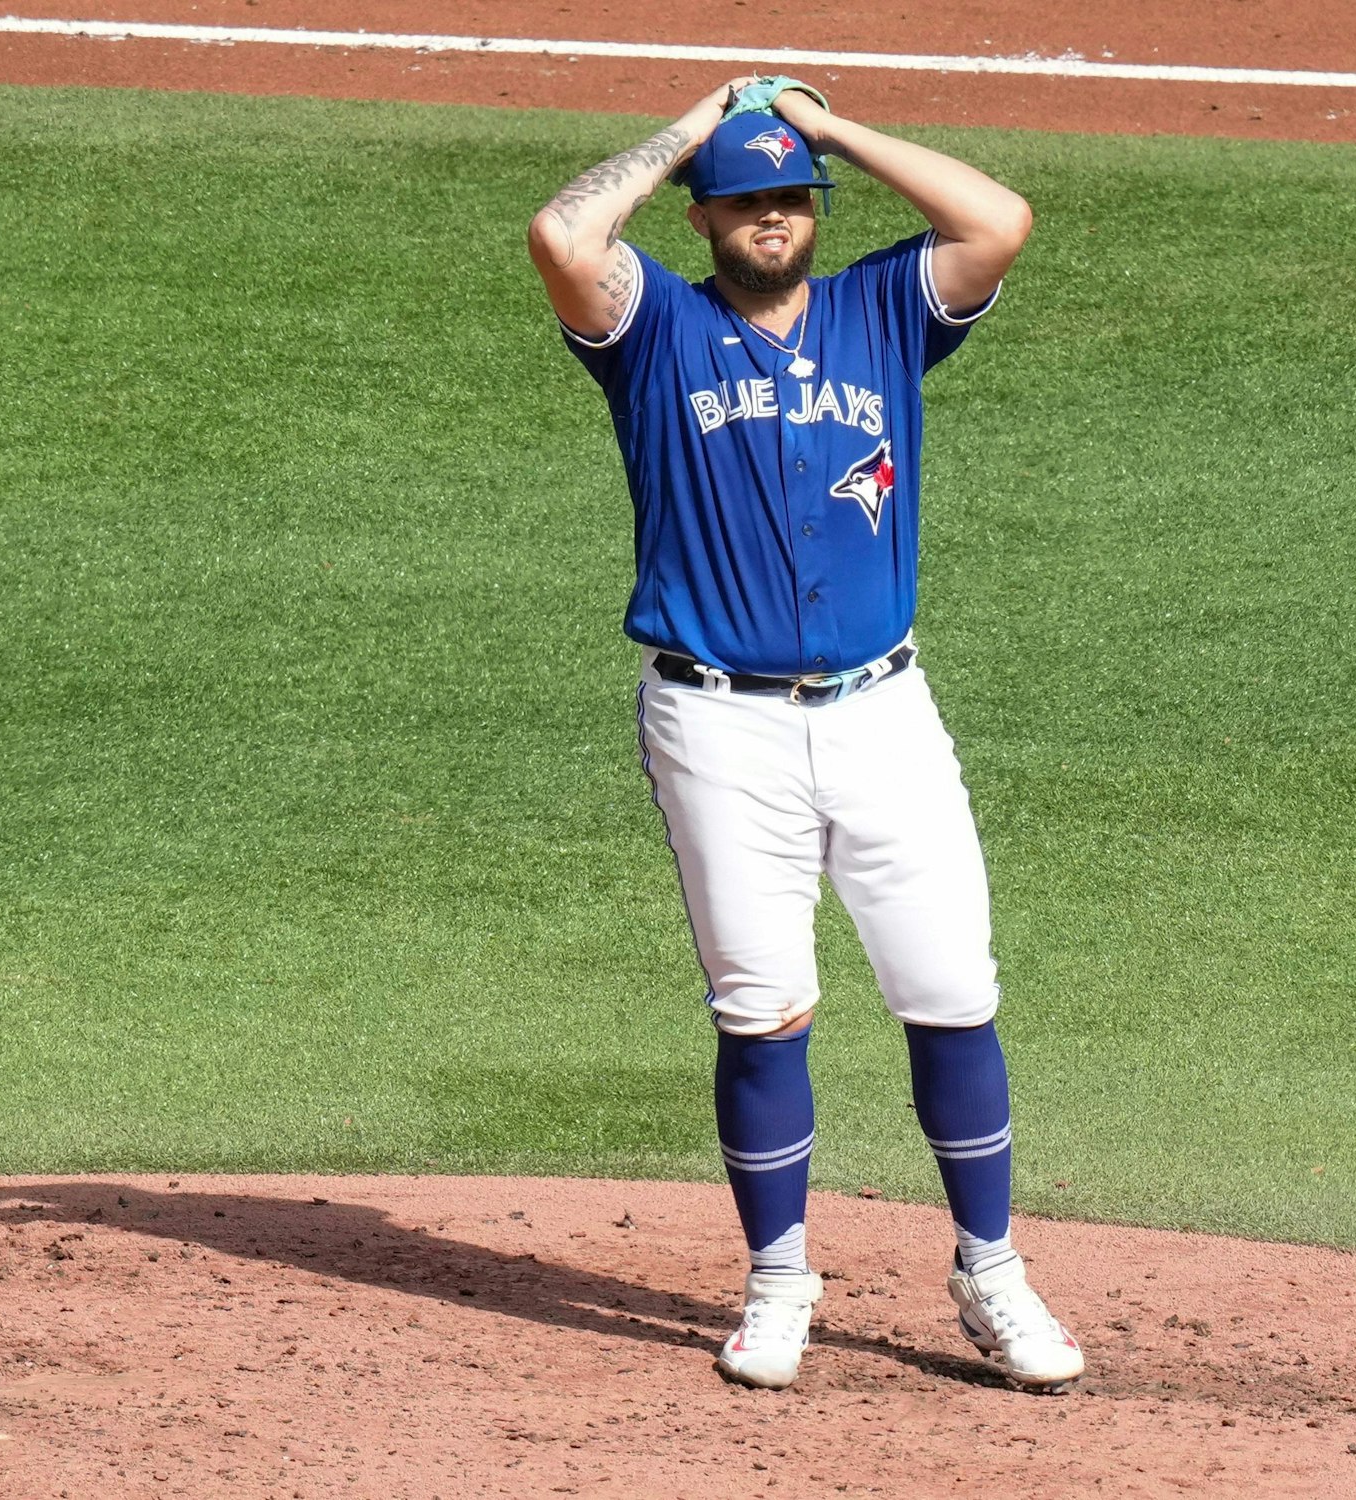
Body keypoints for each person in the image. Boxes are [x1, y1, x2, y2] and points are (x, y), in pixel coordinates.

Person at [526, 78, 1083, 1393]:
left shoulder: (886, 311)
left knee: (951, 992)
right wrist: (686, 131)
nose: (772, 215)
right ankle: (779, 1280)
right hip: (718, 725)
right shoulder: (653, 328)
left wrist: (830, 130)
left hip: (885, 709)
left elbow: (1000, 218)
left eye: (792, 196)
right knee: (762, 1012)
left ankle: (990, 1273)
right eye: (747, 195)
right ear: (706, 210)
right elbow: (562, 239)